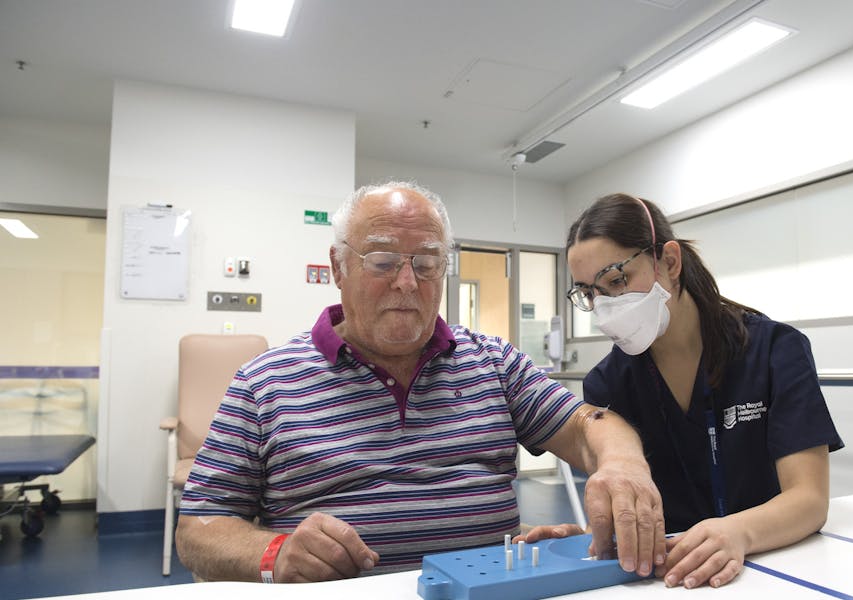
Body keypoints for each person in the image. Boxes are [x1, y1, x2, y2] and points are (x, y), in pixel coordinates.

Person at [175, 182, 666, 583]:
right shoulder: (265, 382)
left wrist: (622, 462)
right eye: (383, 262)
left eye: (427, 264)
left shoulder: (491, 361)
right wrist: (274, 551)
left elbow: (586, 426)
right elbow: (198, 526)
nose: (407, 284)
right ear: (337, 267)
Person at [518, 193, 844, 589]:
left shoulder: (773, 350)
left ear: (670, 262)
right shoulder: (607, 383)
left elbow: (808, 500)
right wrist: (596, 540)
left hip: (776, 564)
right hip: (671, 578)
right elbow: (633, 502)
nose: (604, 306)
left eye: (616, 280)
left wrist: (739, 532)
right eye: (590, 293)